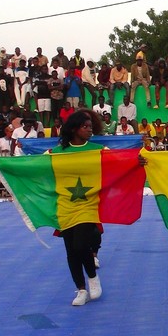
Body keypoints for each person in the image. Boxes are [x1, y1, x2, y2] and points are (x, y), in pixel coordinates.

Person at [48, 110, 107, 306]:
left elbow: (120, 160)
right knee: (71, 251)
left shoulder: (98, 150)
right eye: (85, 127)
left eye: (91, 127)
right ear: (74, 129)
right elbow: (34, 166)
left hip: (88, 205)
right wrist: (5, 165)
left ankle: (92, 277)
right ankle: (81, 290)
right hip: (65, 206)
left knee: (80, 245)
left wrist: (138, 160)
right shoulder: (56, 153)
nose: (90, 130)